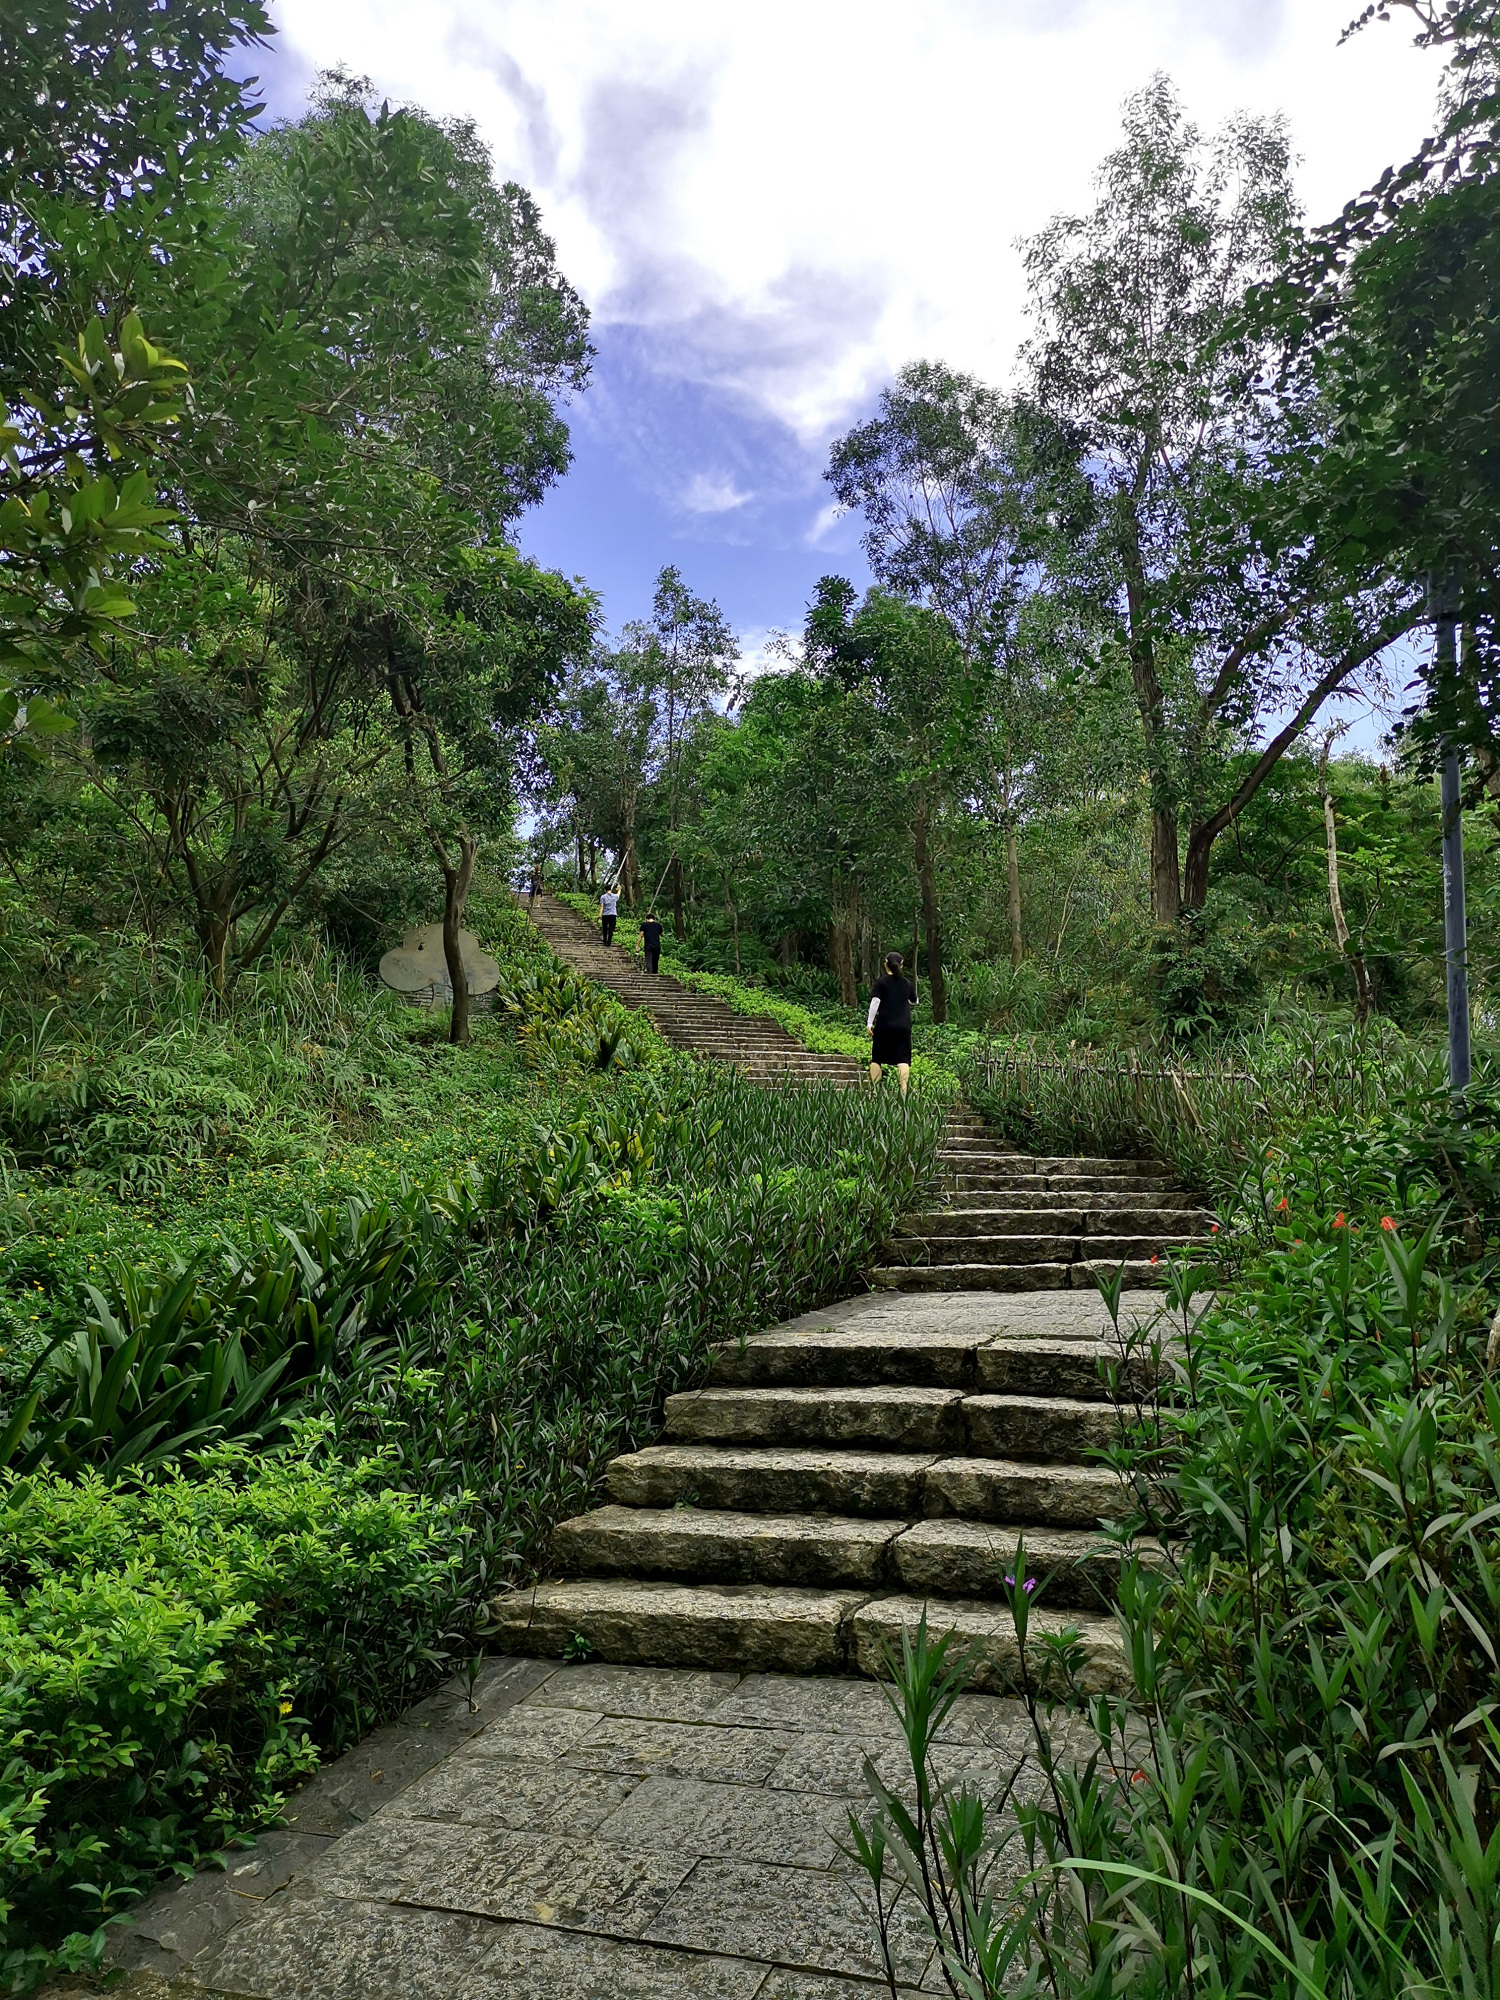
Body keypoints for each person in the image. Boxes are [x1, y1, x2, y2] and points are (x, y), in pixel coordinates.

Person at [867, 950, 918, 1097]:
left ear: (885, 965)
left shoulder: (881, 983)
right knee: (903, 1059)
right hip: (903, 1026)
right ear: (901, 966)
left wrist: (869, 1023)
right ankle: (903, 1091)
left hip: (884, 1025)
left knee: (877, 1057)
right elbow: (915, 1000)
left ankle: (875, 1091)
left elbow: (875, 1002)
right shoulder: (905, 983)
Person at [640, 908, 664, 975]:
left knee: (648, 959)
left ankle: (649, 972)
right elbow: (662, 934)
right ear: (653, 919)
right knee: (655, 960)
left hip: (648, 945)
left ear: (647, 919)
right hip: (657, 945)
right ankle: (655, 973)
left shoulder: (644, 925)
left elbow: (641, 935)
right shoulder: (658, 925)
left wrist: (637, 945)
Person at [599, 882, 620, 946]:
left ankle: (605, 940)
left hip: (605, 914)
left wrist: (599, 914)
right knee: (611, 929)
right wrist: (619, 889)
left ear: (605, 890)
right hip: (613, 914)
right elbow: (618, 894)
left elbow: (601, 906)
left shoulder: (603, 897)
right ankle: (609, 942)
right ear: (611, 889)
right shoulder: (614, 896)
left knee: (604, 928)